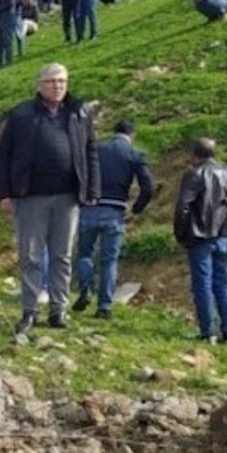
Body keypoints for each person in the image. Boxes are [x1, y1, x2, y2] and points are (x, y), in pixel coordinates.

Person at [0, 63, 99, 334]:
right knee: (30, 255)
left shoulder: (78, 113)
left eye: (62, 81)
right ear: (40, 85)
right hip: (31, 196)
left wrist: (92, 189)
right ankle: (29, 310)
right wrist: (4, 193)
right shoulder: (22, 115)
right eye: (52, 81)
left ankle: (58, 310)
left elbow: (90, 152)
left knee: (62, 255)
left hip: (68, 197)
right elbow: (4, 155)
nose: (58, 86)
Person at [73, 120, 155, 319]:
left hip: (89, 208)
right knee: (109, 261)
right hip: (115, 211)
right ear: (132, 135)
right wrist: (136, 209)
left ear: (113, 132)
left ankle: (85, 288)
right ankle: (104, 307)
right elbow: (148, 186)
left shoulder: (96, 150)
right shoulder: (134, 154)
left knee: (84, 253)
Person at [173, 138, 227, 344]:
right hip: (225, 236)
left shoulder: (194, 174)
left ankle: (208, 332)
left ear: (194, 154)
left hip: (200, 237)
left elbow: (182, 208)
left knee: (202, 285)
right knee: (223, 284)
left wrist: (181, 235)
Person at [0, 0, 20, 68]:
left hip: (8, 19)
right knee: (0, 43)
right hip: (1, 21)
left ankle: (9, 61)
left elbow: (10, 4)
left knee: (8, 42)